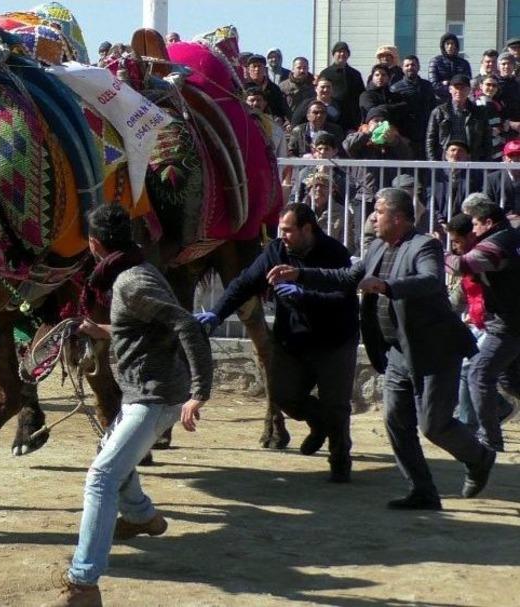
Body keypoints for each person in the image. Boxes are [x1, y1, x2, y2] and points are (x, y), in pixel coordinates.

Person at [267, 188, 497, 510]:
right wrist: (301, 273)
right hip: (397, 353)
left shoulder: (424, 245)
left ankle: (480, 457)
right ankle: (422, 491)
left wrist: (387, 286)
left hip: (434, 350)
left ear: (399, 217)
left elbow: (431, 280)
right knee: (395, 420)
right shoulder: (376, 247)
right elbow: (346, 276)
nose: (373, 216)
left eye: (379, 210)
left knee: (434, 425)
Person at [51, 204, 212, 607]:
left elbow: (187, 325)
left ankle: (84, 584)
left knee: (102, 477)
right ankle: (143, 517)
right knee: (109, 457)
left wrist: (199, 392)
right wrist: (98, 329)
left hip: (154, 398)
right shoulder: (134, 273)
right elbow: (139, 328)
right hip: (144, 394)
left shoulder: (131, 282)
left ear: (93, 244)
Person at [197, 203, 358, 481]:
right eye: (281, 230)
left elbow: (343, 299)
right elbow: (244, 284)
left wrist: (304, 295)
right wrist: (216, 314)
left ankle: (340, 459)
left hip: (334, 341)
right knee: (284, 396)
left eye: (288, 230)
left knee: (336, 404)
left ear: (307, 229)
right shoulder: (276, 251)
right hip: (293, 341)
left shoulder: (334, 253)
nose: (282, 235)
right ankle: (319, 424)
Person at [444, 195, 520, 452]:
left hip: (509, 324)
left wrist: (434, 253)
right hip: (508, 320)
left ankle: (490, 441)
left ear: (488, 222)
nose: (472, 229)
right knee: (510, 381)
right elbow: (464, 292)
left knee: (478, 373)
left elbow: (464, 264)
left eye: (474, 224)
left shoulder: (498, 243)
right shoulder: (509, 237)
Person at [426, 75, 492, 161]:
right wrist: (433, 163)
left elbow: (487, 140)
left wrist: (485, 163)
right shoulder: (439, 112)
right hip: (444, 161)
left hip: (472, 161)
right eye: (456, 87)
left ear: (469, 90)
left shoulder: (479, 113)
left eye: (463, 88)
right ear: (450, 89)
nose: (459, 91)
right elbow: (430, 140)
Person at [390, 55, 437, 159]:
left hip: (425, 132)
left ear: (418, 67)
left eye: (413, 65)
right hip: (405, 135)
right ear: (402, 68)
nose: (410, 67)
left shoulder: (427, 86)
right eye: (407, 65)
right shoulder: (395, 88)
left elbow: (434, 109)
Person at [318, 41, 365, 133]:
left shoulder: (355, 74)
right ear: (334, 54)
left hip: (352, 118)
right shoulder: (326, 73)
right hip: (332, 116)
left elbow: (361, 95)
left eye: (345, 52)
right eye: (339, 51)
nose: (342, 54)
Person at [429, 33, 472, 103]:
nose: (450, 46)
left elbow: (467, 84)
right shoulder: (435, 61)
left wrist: (447, 83)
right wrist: (453, 89)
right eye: (447, 44)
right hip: (440, 102)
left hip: (460, 101)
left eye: (452, 43)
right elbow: (434, 85)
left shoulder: (464, 63)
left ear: (456, 46)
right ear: (443, 46)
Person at [245, 54, 289, 119]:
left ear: (265, 69)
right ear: (248, 69)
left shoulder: (274, 88)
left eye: (259, 66)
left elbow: (281, 110)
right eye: (254, 66)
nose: (257, 69)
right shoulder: (242, 87)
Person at [483, 138, 520, 214]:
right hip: (501, 222)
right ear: (504, 158)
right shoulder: (492, 179)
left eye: (519, 155)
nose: (515, 159)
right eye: (511, 155)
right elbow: (487, 204)